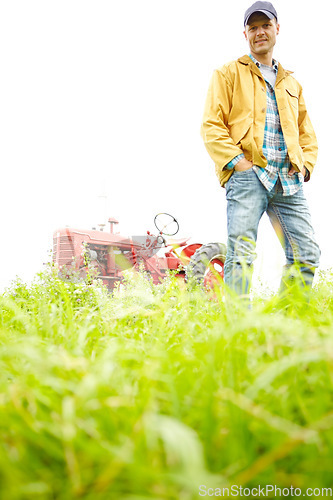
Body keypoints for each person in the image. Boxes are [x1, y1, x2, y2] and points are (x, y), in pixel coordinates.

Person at [201, 0, 320, 297]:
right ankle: (239, 328)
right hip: (248, 176)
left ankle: (284, 323)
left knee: (306, 253)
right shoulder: (227, 73)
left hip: (288, 181)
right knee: (241, 255)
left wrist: (305, 165)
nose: (260, 32)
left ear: (277, 29)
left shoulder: (291, 82)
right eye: (253, 28)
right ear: (245, 34)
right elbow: (211, 125)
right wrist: (237, 162)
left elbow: (307, 132)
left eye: (265, 25)